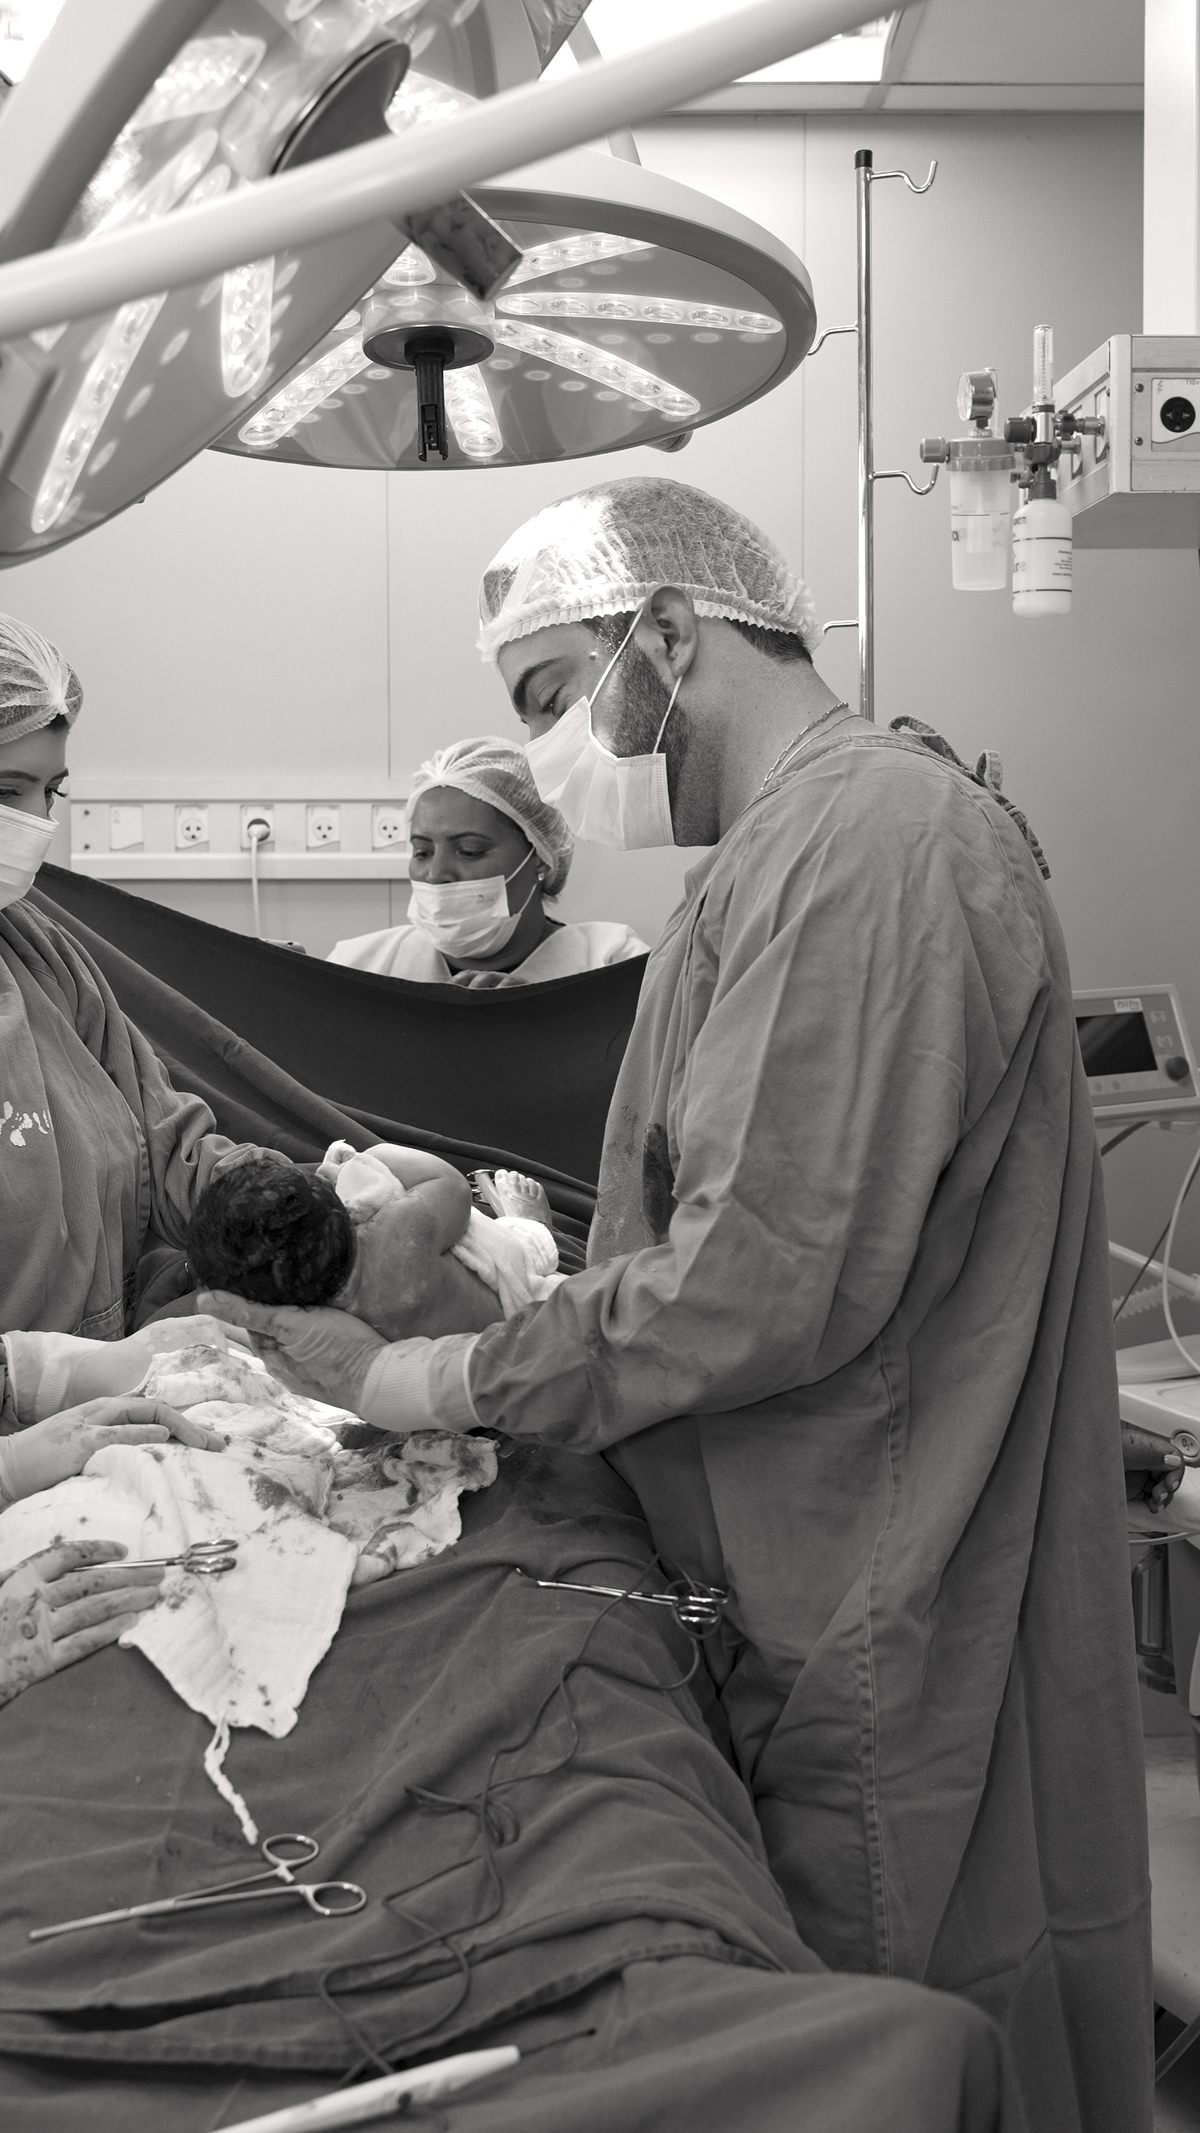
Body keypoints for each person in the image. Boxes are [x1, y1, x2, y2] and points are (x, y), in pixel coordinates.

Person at [205, 476, 1152, 2133]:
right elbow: (720, 1216)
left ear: (665, 632)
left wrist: (419, 1377)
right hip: (804, 1551)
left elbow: (756, 1279)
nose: (554, 749)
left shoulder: (873, 846)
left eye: (553, 697)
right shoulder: (784, 852)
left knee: (893, 2045)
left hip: (875, 1580)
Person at [328, 735, 646, 987]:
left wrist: (542, 1021)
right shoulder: (359, 968)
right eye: (422, 852)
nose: (436, 874)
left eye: (470, 851)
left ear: (540, 858)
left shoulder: (612, 962)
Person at [187, 1141, 561, 1337]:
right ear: (348, 1209)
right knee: (515, 1243)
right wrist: (369, 1160)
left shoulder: (310, 1328)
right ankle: (535, 1227)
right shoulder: (398, 1232)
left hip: (446, 1390)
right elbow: (451, 1186)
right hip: (515, 1323)